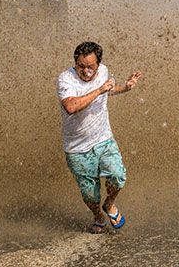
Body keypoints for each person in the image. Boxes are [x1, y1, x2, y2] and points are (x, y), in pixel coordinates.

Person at [58, 41, 142, 234]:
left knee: (118, 176)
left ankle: (110, 204)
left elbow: (108, 90)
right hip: (77, 148)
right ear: (75, 63)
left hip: (104, 139)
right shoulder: (66, 79)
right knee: (90, 193)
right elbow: (70, 107)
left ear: (98, 64)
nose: (85, 71)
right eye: (81, 66)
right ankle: (98, 216)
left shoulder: (103, 71)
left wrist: (126, 88)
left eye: (90, 67)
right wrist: (99, 90)